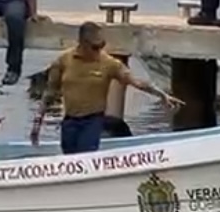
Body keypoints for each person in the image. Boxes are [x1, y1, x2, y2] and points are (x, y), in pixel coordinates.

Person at [32, 22, 184, 154]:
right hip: (70, 120)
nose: (98, 50)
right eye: (95, 47)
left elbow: (137, 81)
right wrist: (37, 122)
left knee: (86, 156)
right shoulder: (64, 60)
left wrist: (162, 95)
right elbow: (50, 92)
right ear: (82, 43)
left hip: (92, 120)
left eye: (101, 46)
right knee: (70, 158)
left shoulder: (109, 63)